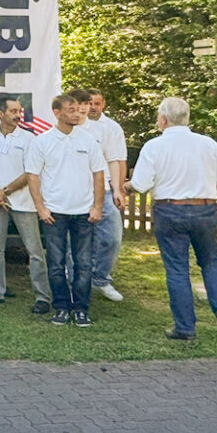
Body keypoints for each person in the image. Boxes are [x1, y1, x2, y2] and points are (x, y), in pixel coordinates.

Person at [130, 97, 217, 340]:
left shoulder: (153, 146)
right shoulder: (207, 144)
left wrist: (126, 186)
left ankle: (185, 328)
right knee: (211, 261)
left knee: (177, 268)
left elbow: (141, 184)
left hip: (169, 211)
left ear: (163, 119)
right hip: (204, 210)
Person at [26, 94, 107, 327]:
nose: (76, 113)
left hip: (84, 212)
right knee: (56, 262)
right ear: (57, 113)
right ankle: (61, 307)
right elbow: (33, 176)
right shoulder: (42, 141)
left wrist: (98, 206)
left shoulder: (88, 140)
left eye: (77, 109)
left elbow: (98, 174)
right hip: (54, 213)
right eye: (70, 109)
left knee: (83, 263)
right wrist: (41, 207)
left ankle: (81, 309)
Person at [0, 98, 52, 312]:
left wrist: (5, 191)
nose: (18, 115)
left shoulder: (29, 139)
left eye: (20, 111)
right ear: (0, 113)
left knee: (34, 250)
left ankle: (42, 296)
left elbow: (30, 172)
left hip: (23, 202)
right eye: (13, 111)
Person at [84, 89, 129, 302]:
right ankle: (73, 277)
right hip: (78, 191)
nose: (93, 107)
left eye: (97, 103)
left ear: (103, 105)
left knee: (111, 238)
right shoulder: (76, 124)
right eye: (89, 103)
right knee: (77, 239)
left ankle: (100, 279)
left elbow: (118, 160)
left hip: (106, 191)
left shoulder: (112, 128)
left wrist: (118, 189)